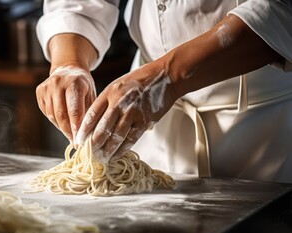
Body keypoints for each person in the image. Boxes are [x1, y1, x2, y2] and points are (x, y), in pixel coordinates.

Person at [35, 0, 292, 183]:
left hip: (263, 136)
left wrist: (166, 78)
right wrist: (68, 62)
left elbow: (278, 11)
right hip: (150, 135)